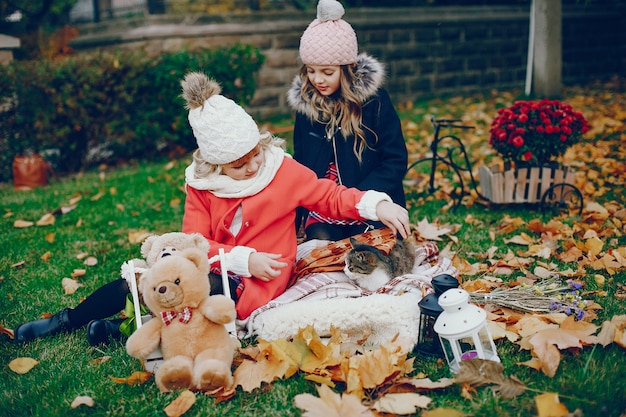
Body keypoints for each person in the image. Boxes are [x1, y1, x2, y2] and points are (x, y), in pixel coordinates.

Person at [13, 72, 410, 342]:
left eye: (256, 154)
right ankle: (67, 320)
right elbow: (195, 243)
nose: (254, 165)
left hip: (258, 279)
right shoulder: (202, 185)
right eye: (240, 165)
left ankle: (123, 334)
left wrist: (376, 204)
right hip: (223, 263)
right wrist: (241, 258)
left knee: (198, 301)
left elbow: (329, 195)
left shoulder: (280, 170)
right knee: (147, 281)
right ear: (217, 164)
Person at [287, 0, 409, 242]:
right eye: (310, 71)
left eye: (327, 72)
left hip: (371, 201)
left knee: (366, 253)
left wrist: (364, 198)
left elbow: (395, 159)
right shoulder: (307, 107)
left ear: (347, 68)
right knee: (321, 251)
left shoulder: (374, 102)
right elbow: (302, 165)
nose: (317, 80)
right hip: (326, 205)